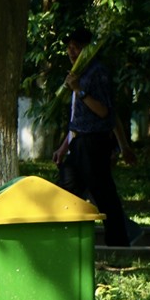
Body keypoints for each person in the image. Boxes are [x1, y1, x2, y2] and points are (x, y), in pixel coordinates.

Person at [55, 27, 133, 247]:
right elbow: (76, 118)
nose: (71, 52)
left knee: (103, 193)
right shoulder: (77, 74)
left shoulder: (97, 73)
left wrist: (79, 90)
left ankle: (118, 244)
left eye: (76, 48)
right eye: (69, 48)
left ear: (88, 50)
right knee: (66, 189)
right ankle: (63, 240)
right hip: (78, 142)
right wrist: (64, 146)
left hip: (94, 142)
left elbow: (104, 112)